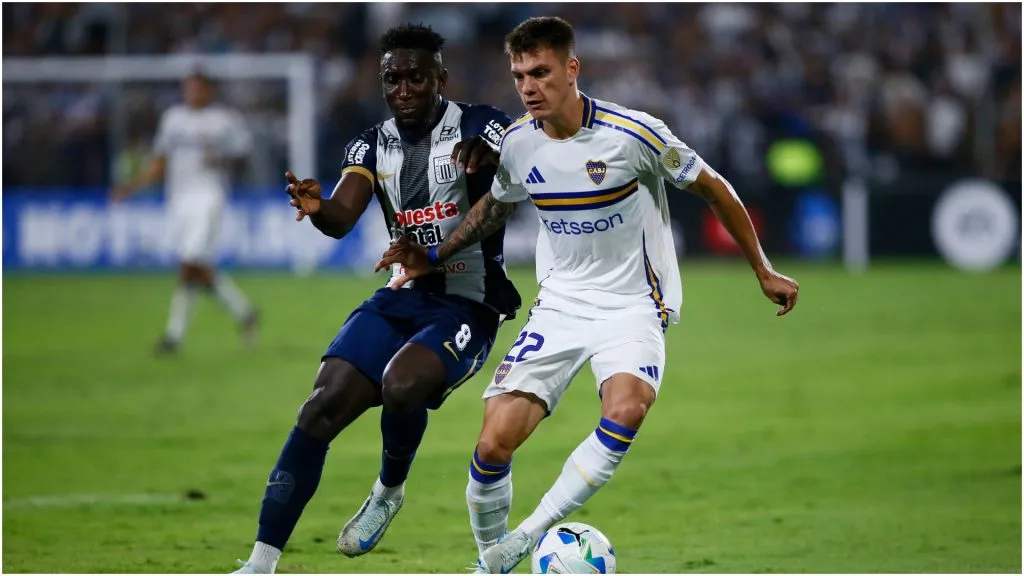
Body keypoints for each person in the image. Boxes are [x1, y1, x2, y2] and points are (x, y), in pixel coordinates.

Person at [375, 16, 801, 574]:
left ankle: (528, 535)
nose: (528, 86)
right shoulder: (521, 144)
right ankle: (489, 564)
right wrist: (433, 256)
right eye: (519, 75)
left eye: (541, 72)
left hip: (633, 306)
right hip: (561, 306)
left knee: (626, 409)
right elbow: (495, 207)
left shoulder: (634, 134)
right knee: (491, 447)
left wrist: (763, 270)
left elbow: (714, 188)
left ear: (572, 69)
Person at [232, 24, 521, 574]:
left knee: (402, 385)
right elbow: (344, 217)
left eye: (417, 77)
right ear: (382, 83)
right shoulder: (370, 144)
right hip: (403, 293)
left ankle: (388, 489)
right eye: (393, 79)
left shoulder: (480, 124)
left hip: (470, 301)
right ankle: (260, 564)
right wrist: (319, 209)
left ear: (441, 77)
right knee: (321, 406)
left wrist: (490, 154)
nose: (405, 89)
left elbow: (514, 163)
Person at [112, 71, 259, 355]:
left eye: (197, 89)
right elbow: (160, 162)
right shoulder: (173, 119)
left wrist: (222, 157)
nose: (191, 94)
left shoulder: (223, 120)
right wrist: (131, 187)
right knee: (194, 267)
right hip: (178, 200)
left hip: (209, 197)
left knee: (189, 263)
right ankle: (244, 313)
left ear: (208, 90)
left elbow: (244, 152)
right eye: (187, 89)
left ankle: (173, 336)